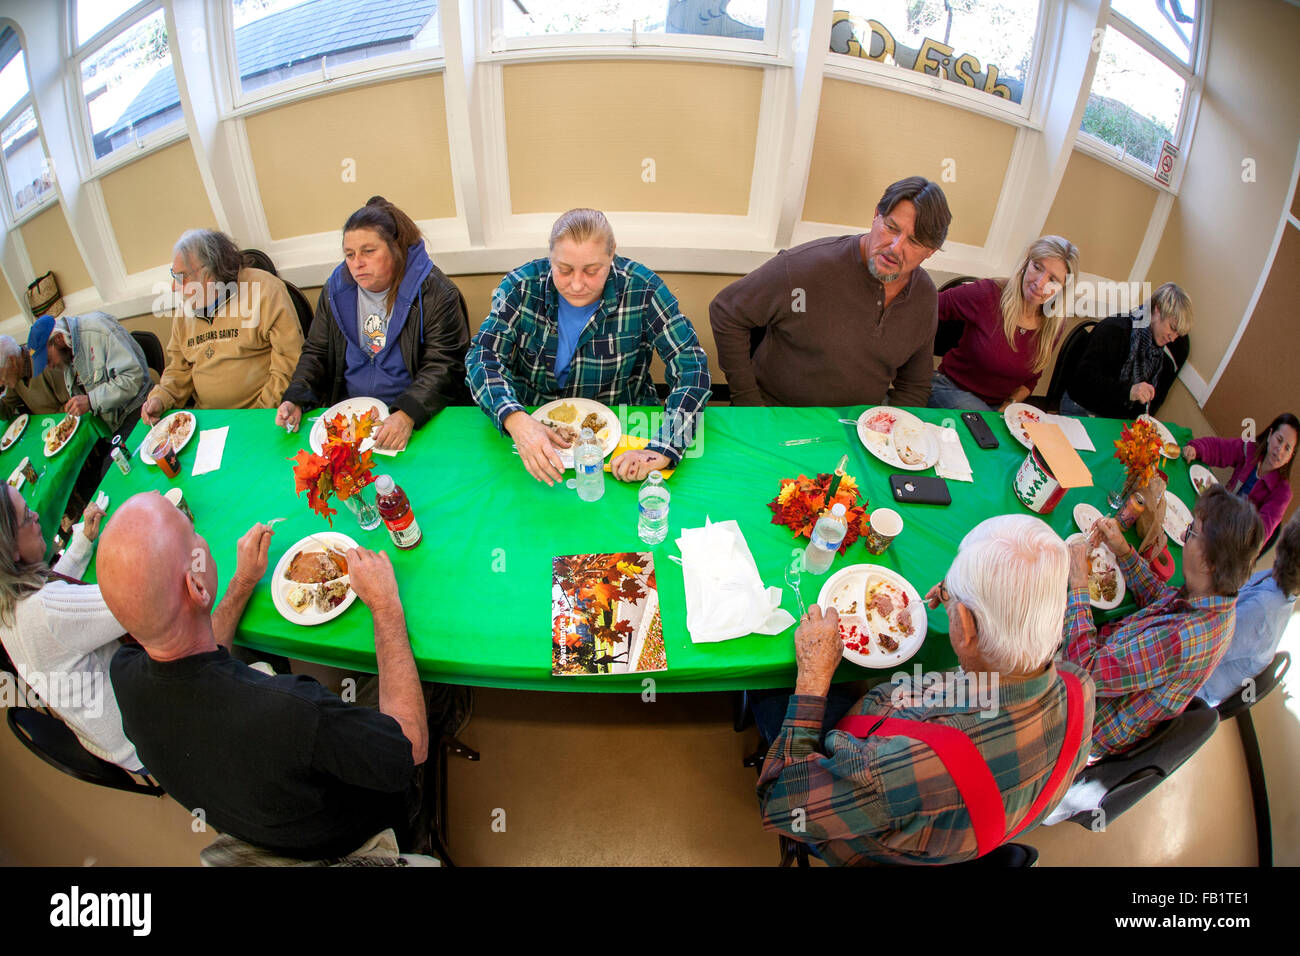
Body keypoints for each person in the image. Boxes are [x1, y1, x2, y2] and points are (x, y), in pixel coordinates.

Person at [98, 492, 428, 859]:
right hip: (356, 834)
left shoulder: (123, 672)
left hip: (262, 821)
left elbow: (190, 649)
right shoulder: (291, 712)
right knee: (425, 669)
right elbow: (410, 744)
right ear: (196, 587)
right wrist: (385, 605)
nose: (201, 541)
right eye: (192, 535)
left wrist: (241, 583)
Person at [755, 515, 1095, 865]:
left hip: (860, 834)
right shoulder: (1079, 686)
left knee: (770, 696)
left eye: (953, 603)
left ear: (965, 626)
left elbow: (781, 804)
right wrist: (962, 596)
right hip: (948, 825)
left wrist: (812, 677)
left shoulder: (894, 770)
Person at [467, 208, 711, 485]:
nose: (577, 284)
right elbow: (482, 357)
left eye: (593, 271)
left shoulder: (644, 289)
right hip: (531, 426)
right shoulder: (519, 287)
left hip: (625, 429)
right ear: (550, 257)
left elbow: (692, 368)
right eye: (564, 269)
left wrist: (663, 448)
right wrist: (515, 418)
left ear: (612, 255)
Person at [709, 176, 951, 408]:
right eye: (891, 228)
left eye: (915, 242)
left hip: (857, 428)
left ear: (930, 251)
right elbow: (726, 310)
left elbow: (914, 385)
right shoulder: (805, 266)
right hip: (778, 414)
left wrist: (892, 433)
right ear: (876, 215)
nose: (895, 248)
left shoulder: (924, 297)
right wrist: (748, 401)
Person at [1064, 486, 1262, 758]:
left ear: (1207, 563)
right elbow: (1160, 598)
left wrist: (1078, 584)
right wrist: (1123, 552)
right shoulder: (1215, 599)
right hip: (1107, 662)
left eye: (1191, 532)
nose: (1183, 535)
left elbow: (1082, 671)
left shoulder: (1182, 638)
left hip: (1084, 717)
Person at [276, 196, 471, 451]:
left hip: (417, 417)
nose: (357, 263)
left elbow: (445, 365)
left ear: (396, 249)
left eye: (369, 251)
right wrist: (297, 396)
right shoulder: (335, 289)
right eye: (349, 254)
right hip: (351, 416)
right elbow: (317, 352)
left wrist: (407, 413)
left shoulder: (437, 293)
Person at [0, 488, 141, 771]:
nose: (37, 516)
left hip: (104, 738)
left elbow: (59, 597)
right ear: (11, 549)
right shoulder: (44, 611)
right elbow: (137, 602)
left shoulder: (8, 602)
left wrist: (82, 543)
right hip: (142, 736)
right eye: (28, 516)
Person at [141, 229, 303, 424]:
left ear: (208, 274)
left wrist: (258, 414)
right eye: (173, 276)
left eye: (181, 277)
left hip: (261, 414)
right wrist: (161, 397)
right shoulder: (186, 308)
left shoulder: (266, 290)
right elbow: (179, 370)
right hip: (207, 421)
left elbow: (288, 363)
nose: (174, 287)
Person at [928, 236, 1080, 411]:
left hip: (995, 408)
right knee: (984, 426)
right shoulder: (987, 294)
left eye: (1053, 280)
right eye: (1037, 267)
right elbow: (928, 306)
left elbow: (1031, 379)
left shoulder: (1054, 323)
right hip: (948, 389)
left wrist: (1007, 407)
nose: (1040, 283)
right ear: (1026, 264)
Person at [1199, 510, 1299, 707]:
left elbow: (1203, 646)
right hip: (1205, 650)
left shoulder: (1264, 611)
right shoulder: (1277, 582)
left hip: (1195, 687)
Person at [1060, 282, 1192, 419]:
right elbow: (1082, 381)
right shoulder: (1115, 330)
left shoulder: (1159, 355)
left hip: (1113, 416)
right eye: (1172, 328)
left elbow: (1148, 406)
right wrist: (1129, 391)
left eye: (1178, 334)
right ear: (1157, 310)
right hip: (1082, 407)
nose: (1173, 339)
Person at [25, 312, 150, 437]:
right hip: (111, 425)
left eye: (48, 360)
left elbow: (133, 377)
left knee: (115, 456)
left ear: (58, 338)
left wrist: (91, 401)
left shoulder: (98, 330)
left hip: (138, 408)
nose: (50, 367)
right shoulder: (67, 351)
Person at [1183, 412, 1296, 543]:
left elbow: (1259, 534)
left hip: (1231, 542)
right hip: (1213, 514)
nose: (1280, 451)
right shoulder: (1250, 449)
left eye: (1287, 448)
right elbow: (1220, 449)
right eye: (1279, 440)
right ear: (1270, 435)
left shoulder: (1282, 493)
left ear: (1290, 456)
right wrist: (1196, 448)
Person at [0, 334, 70, 418]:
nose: (0, 384)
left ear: (12, 361)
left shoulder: (47, 363)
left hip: (65, 422)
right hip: (45, 426)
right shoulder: (15, 376)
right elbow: (6, 408)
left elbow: (72, 402)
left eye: (0, 376)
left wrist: (51, 425)